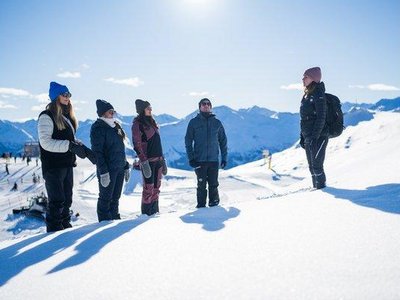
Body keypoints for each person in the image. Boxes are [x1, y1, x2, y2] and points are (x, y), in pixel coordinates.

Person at [38, 81, 94, 232]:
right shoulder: (46, 116)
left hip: (67, 164)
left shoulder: (66, 117)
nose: (68, 97)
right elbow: (46, 143)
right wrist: (70, 146)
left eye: (69, 94)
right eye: (65, 94)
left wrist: (82, 148)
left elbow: (69, 139)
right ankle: (54, 230)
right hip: (53, 166)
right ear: (56, 97)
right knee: (56, 201)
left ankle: (65, 228)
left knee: (67, 200)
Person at [91, 99, 130, 221]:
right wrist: (103, 172)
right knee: (105, 198)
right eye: (110, 111)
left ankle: (114, 220)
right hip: (108, 170)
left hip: (119, 168)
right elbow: (98, 153)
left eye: (113, 111)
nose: (112, 113)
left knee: (116, 198)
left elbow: (120, 149)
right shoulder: (98, 127)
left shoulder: (115, 126)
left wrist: (125, 165)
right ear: (103, 113)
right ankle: (105, 222)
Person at [185, 98, 228, 208]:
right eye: (203, 104)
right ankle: (201, 207)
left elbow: (223, 141)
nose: (206, 105)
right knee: (201, 185)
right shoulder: (194, 122)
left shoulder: (217, 123)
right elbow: (188, 141)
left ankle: (214, 206)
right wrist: (191, 158)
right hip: (199, 160)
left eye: (208, 104)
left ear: (211, 107)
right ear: (200, 107)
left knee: (214, 185)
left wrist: (224, 158)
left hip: (214, 160)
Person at [131, 99, 167, 216]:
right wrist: (144, 161)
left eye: (151, 108)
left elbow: (158, 143)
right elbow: (137, 145)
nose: (151, 110)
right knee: (149, 189)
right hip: (149, 162)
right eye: (148, 108)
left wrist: (163, 160)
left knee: (157, 188)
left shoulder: (152, 122)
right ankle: (146, 215)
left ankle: (154, 212)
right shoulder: (138, 124)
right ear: (142, 110)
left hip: (159, 160)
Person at [299, 67, 329, 189]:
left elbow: (321, 117)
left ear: (313, 79)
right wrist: (303, 136)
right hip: (308, 136)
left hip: (319, 136)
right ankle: (316, 190)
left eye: (306, 77)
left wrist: (314, 137)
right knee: (312, 167)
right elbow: (304, 118)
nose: (303, 79)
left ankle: (321, 190)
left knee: (317, 166)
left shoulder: (318, 94)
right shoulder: (307, 94)